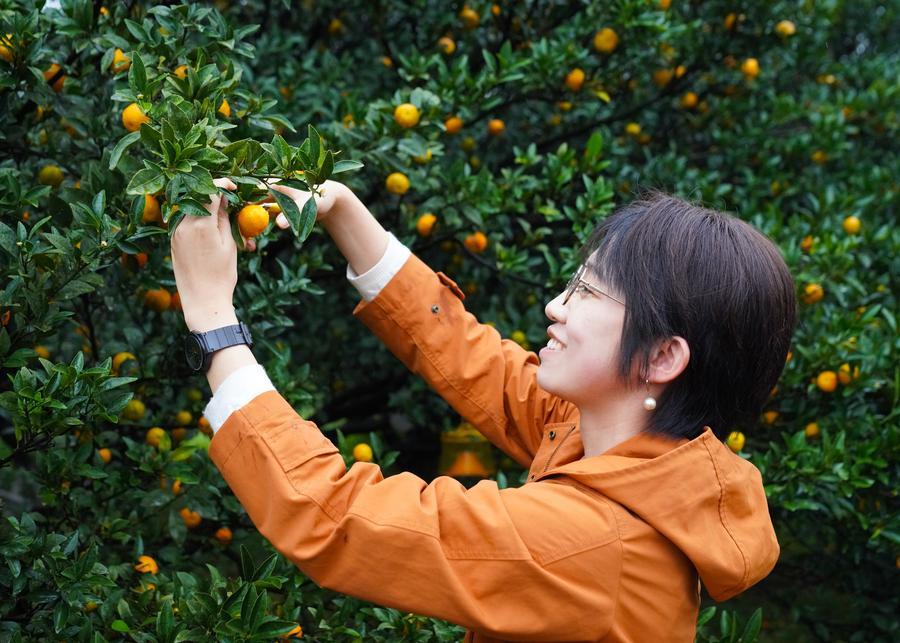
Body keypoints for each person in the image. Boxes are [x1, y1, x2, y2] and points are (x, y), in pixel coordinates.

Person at [170, 177, 796, 642]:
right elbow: (475, 361)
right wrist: (344, 212)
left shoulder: (587, 541)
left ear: (660, 357)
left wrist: (212, 318)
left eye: (587, 292)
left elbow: (339, 519)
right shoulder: (626, 455)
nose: (556, 306)